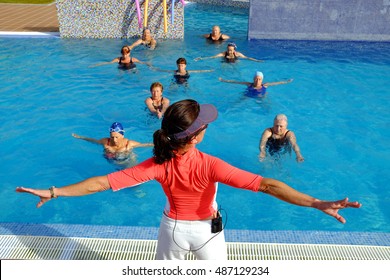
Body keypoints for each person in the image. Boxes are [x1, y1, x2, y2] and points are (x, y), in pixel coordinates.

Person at [16, 99, 361, 260]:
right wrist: (316, 202)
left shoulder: (155, 164)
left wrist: (54, 190)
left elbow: (100, 183)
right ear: (195, 137)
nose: (207, 128)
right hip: (207, 232)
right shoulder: (211, 165)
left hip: (171, 232)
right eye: (204, 126)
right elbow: (269, 186)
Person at [72, 122, 153, 163]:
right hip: (112, 163)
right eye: (112, 137)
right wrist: (81, 137)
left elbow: (145, 145)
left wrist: (163, 143)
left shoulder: (129, 144)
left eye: (117, 137)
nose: (114, 140)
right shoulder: (106, 142)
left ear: (122, 135)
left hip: (127, 162)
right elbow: (94, 141)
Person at [219, 71, 293, 97]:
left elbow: (277, 83)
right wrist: (223, 80)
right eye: (256, 79)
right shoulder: (249, 84)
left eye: (259, 79)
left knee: (266, 102)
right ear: (253, 79)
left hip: (261, 97)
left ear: (262, 80)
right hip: (248, 96)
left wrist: (287, 81)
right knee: (239, 101)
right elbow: (236, 82)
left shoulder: (265, 85)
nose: (258, 81)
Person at [194, 42, 263, 63]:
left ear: (234, 50)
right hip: (225, 62)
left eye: (231, 50)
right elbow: (213, 57)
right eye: (228, 49)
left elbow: (247, 58)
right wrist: (201, 58)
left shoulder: (238, 54)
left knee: (238, 63)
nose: (229, 51)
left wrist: (256, 60)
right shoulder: (223, 54)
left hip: (234, 62)